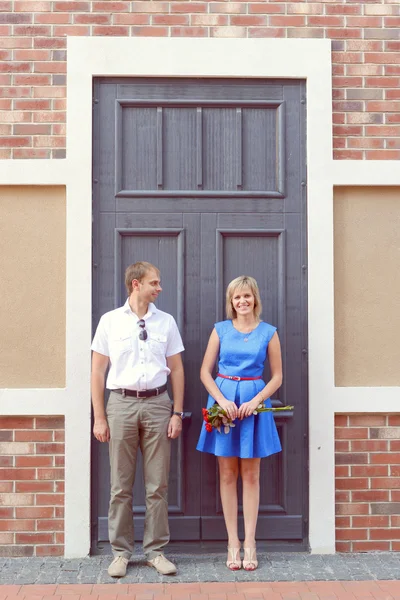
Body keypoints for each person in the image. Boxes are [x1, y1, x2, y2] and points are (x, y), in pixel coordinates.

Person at [91, 261, 185, 578]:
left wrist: (176, 412)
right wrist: (99, 417)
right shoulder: (110, 322)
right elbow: (97, 371)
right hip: (120, 404)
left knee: (157, 485)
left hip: (159, 404)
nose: (159, 288)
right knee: (120, 486)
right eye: (154, 283)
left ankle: (156, 551)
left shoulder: (166, 322)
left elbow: (178, 369)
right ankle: (120, 553)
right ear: (136, 284)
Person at [196, 275, 282, 572]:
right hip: (224, 405)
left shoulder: (268, 332)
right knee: (227, 474)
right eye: (236, 298)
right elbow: (205, 373)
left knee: (252, 474)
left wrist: (256, 400)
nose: (242, 302)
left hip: (253, 406)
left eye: (247, 296)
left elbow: (277, 377)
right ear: (231, 302)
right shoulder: (220, 330)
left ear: (254, 298)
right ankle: (232, 542)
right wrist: (222, 400)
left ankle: (251, 542)